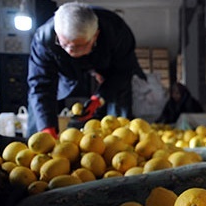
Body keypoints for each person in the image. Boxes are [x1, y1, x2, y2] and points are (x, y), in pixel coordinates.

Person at [27, 2, 146, 138]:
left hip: (108, 65)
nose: (70, 51)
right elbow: (40, 85)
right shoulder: (44, 38)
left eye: (79, 46)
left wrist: (99, 99)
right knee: (38, 117)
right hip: (66, 70)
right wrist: (46, 129)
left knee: (120, 115)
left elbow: (123, 72)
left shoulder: (116, 31)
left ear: (95, 36)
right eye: (64, 44)